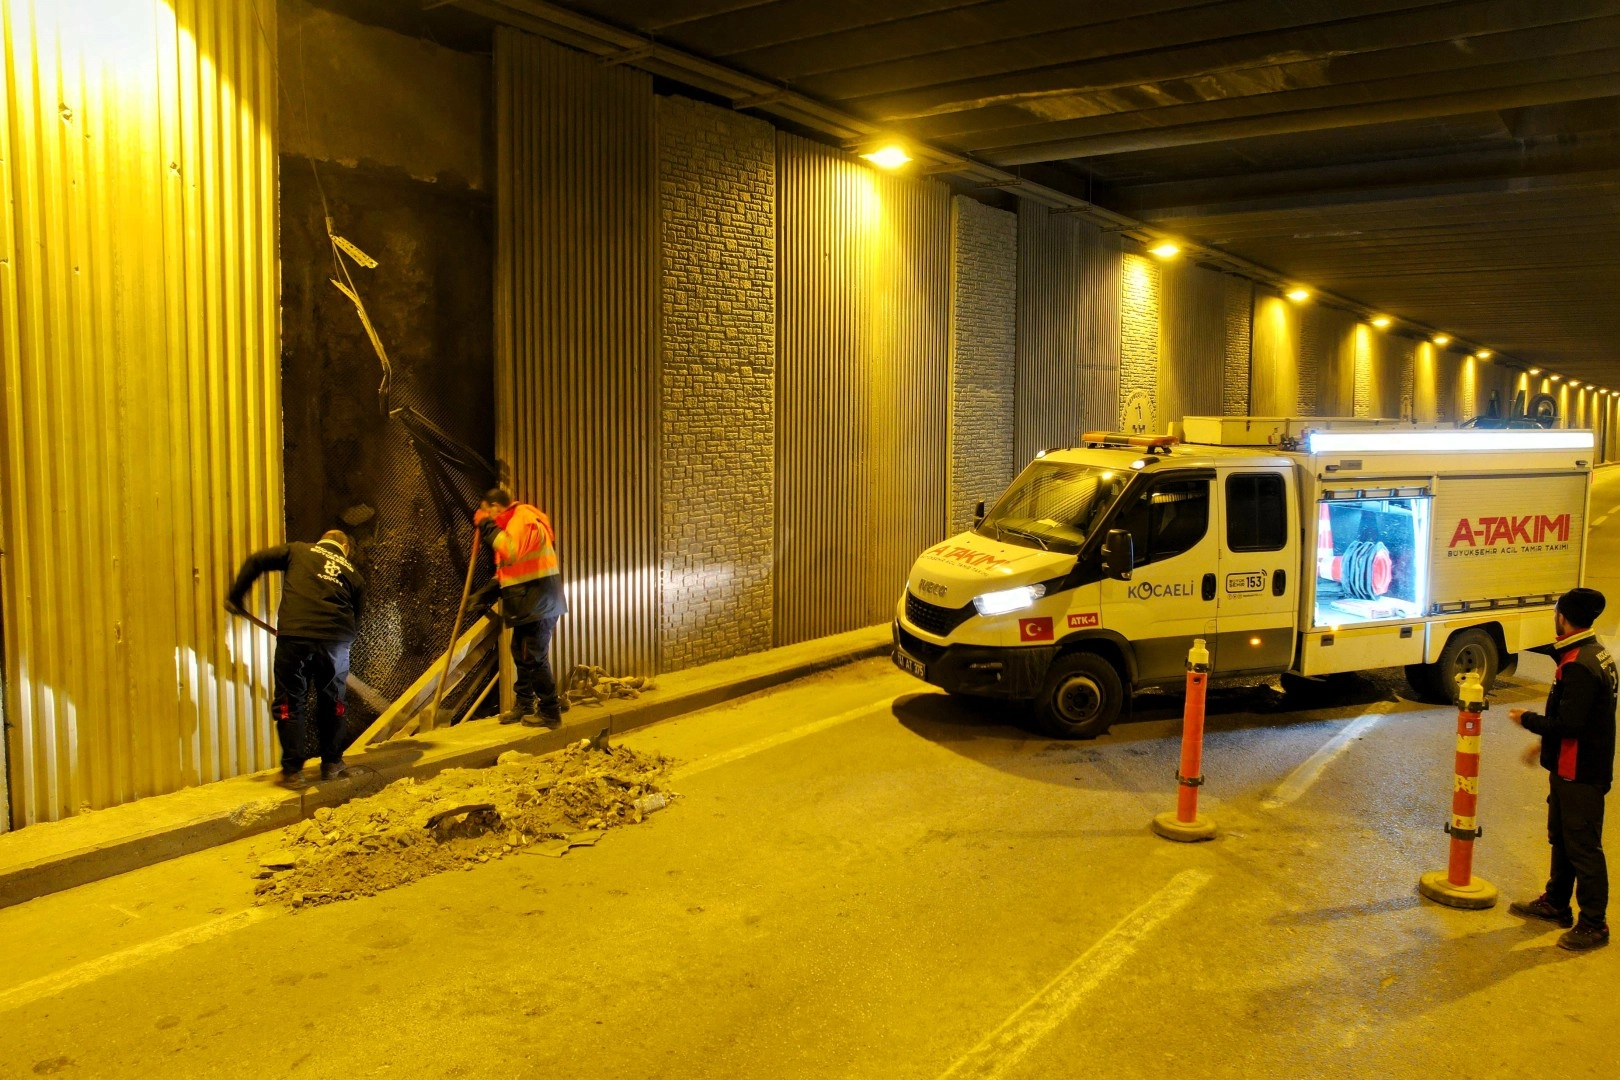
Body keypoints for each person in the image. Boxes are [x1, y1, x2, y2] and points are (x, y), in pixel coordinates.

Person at [1508, 586, 1617, 951]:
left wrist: (1528, 720)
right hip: (1572, 765)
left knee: (1583, 846)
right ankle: (1556, 902)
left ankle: (1594, 924)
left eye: (1556, 611)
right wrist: (1543, 745)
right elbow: (1583, 719)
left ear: (1563, 617)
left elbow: (1569, 725)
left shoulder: (1579, 665)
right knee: (1563, 838)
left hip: (1581, 772)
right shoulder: (1594, 653)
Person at [225, 530, 366, 788]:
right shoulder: (353, 575)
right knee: (333, 701)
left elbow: (257, 561)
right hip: (335, 643)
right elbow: (356, 622)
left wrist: (236, 596)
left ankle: (292, 771)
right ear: (344, 547)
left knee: (291, 701)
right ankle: (332, 764)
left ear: (322, 539)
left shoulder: (298, 550)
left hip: (296, 637)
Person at [472, 488, 568, 727]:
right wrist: (486, 593)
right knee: (521, 653)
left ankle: (550, 711)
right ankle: (525, 704)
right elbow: (510, 570)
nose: (487, 516)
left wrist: (485, 525)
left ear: (495, 507)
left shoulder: (522, 518)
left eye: (487, 511)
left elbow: (511, 551)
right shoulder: (515, 524)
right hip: (531, 601)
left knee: (533, 657)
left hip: (537, 601)